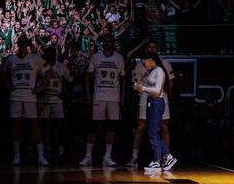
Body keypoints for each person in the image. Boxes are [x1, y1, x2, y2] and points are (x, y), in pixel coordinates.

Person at [79, 36, 125, 167]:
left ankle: (107, 157)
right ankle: (88, 156)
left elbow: (123, 78)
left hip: (114, 97)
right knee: (93, 126)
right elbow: (88, 75)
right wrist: (88, 95)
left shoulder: (119, 58)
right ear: (102, 43)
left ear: (113, 44)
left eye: (110, 41)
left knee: (111, 127)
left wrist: (123, 96)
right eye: (106, 41)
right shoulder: (96, 57)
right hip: (98, 96)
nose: (108, 43)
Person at [127, 40, 174, 167]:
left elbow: (164, 86)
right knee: (145, 129)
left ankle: (164, 157)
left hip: (158, 99)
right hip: (147, 100)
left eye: (154, 47)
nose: (152, 49)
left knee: (159, 129)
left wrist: (143, 88)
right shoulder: (146, 66)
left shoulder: (161, 67)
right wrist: (139, 86)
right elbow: (137, 81)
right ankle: (145, 158)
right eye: (149, 47)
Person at [3, 35, 48, 166]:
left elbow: (49, 72)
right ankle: (17, 156)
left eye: (24, 42)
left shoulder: (35, 58)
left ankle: (41, 156)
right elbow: (3, 74)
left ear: (27, 44)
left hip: (30, 97)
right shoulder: (11, 59)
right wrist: (8, 87)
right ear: (17, 44)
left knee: (35, 125)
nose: (22, 44)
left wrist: (40, 88)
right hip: (16, 95)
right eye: (20, 42)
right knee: (16, 126)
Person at [37, 46, 73, 163]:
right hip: (44, 99)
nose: (50, 55)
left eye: (52, 52)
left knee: (59, 126)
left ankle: (61, 149)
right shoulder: (41, 66)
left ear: (55, 54)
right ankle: (43, 149)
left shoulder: (61, 66)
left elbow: (70, 80)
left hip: (57, 100)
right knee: (43, 126)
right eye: (48, 53)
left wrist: (65, 92)